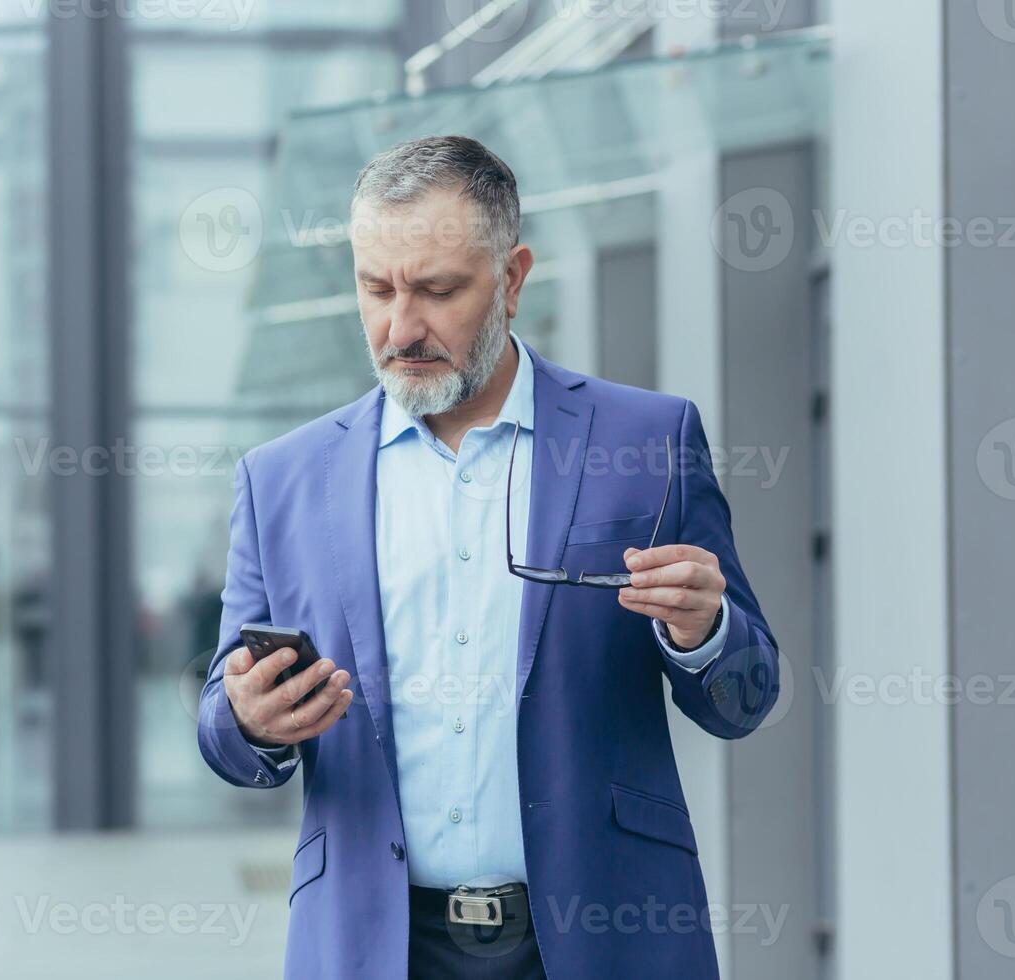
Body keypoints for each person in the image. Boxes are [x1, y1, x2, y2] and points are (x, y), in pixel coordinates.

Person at [197, 135, 780, 980]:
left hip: (602, 938)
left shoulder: (647, 442)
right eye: (376, 289)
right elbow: (223, 724)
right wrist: (250, 719)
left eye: (437, 290)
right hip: (376, 945)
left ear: (511, 279)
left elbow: (746, 699)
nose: (401, 326)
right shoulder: (280, 480)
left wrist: (705, 632)